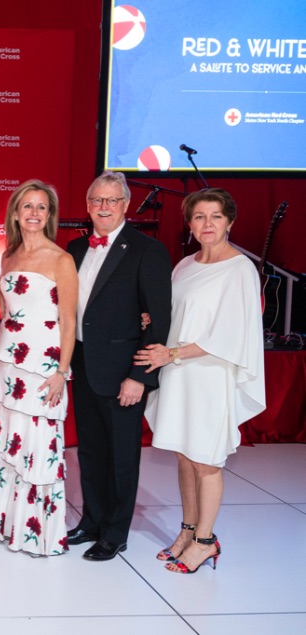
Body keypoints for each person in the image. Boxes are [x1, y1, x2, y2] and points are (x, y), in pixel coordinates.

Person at [137, 188, 265, 574]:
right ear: (189, 223)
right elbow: (176, 314)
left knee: (206, 459)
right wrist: (152, 321)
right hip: (178, 373)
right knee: (183, 453)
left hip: (208, 375)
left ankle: (206, 542)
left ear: (230, 222)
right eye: (199, 217)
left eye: (215, 217)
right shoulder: (185, 265)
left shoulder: (240, 268)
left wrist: (171, 354)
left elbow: (229, 333)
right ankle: (188, 531)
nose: (207, 224)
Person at [66, 171, 172, 561]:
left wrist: (139, 377)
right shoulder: (75, 250)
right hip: (83, 367)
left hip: (123, 372)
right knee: (91, 452)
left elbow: (159, 320)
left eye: (112, 200)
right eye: (97, 200)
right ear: (88, 205)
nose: (104, 207)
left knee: (122, 456)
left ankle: (115, 532)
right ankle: (92, 520)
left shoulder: (147, 250)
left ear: (126, 205)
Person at [0, 180, 78, 556]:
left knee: (38, 447)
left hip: (43, 368)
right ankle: (7, 524)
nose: (34, 214)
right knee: (10, 445)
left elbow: (69, 321)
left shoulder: (61, 260)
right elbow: (5, 310)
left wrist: (62, 372)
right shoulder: (8, 256)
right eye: (28, 206)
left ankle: (37, 532)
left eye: (42, 207)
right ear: (16, 213)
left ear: (49, 215)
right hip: (9, 366)